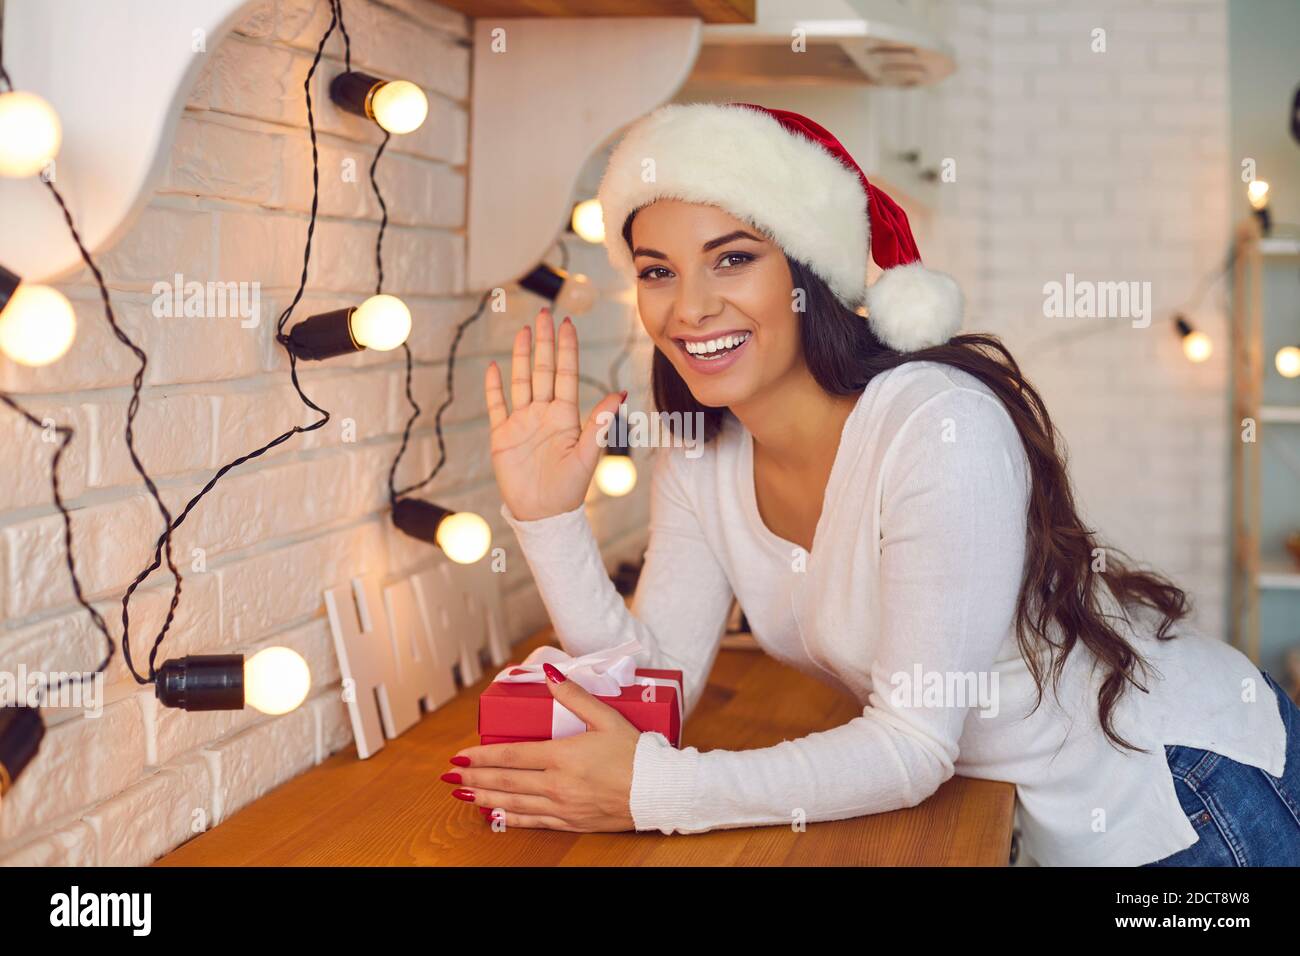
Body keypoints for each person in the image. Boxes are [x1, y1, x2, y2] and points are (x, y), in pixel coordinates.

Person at [443, 101, 1300, 866]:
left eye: (732, 258)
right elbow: (654, 688)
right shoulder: (702, 454)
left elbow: (910, 748)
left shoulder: (934, 426)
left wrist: (651, 792)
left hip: (1178, 787)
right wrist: (549, 518)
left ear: (809, 275)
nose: (687, 308)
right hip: (1024, 807)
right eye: (657, 270)